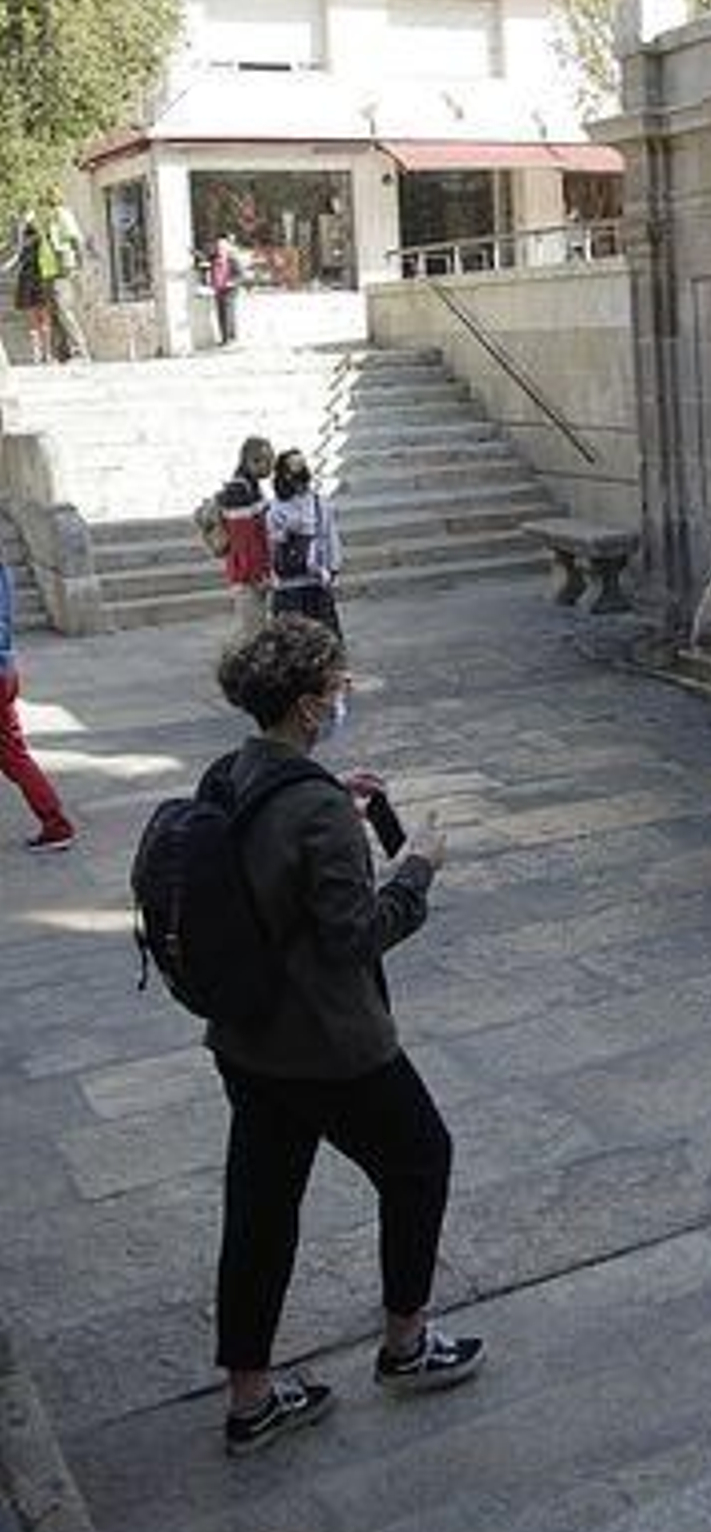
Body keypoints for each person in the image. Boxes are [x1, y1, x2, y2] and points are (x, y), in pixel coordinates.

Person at [210, 614, 483, 1455]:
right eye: (335, 689)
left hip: (247, 1038)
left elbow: (271, 872)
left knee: (260, 1209)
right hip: (329, 1043)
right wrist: (419, 868)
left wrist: (335, 795)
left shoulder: (231, 774)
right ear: (303, 706)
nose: (342, 698)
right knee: (421, 1157)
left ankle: (251, 1399)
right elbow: (354, 936)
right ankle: (406, 1343)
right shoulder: (316, 810)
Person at [0, 558, 74, 850]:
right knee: (13, 755)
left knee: (13, 757)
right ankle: (55, 822)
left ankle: (56, 823)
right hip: (6, 670)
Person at [266, 448, 342, 635]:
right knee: (295, 647)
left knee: (319, 644)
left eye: (301, 467)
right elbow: (273, 542)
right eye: (295, 468)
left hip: (313, 583)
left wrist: (332, 568)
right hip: (289, 585)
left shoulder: (319, 503)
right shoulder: (275, 508)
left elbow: (330, 536)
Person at [219, 435, 275, 640]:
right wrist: (257, 576)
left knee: (255, 631)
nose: (271, 467)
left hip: (252, 573)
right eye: (267, 461)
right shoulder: (239, 491)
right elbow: (244, 542)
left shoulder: (251, 486)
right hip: (247, 577)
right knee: (253, 635)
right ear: (251, 461)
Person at [35, 205, 90, 362]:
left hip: (62, 270)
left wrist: (78, 266)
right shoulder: (43, 220)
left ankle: (80, 351)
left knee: (64, 310)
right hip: (48, 271)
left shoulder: (62, 215)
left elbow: (76, 239)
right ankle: (64, 355)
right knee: (54, 313)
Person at [8, 217, 55, 366]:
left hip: (28, 280)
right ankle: (46, 355)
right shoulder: (43, 240)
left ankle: (38, 355)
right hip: (41, 279)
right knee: (44, 318)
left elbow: (16, 259)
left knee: (34, 320)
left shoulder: (26, 244)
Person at [208, 234, 246, 347]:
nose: (219, 249)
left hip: (230, 289)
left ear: (227, 248)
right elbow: (204, 259)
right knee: (221, 313)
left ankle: (230, 337)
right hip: (218, 288)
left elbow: (240, 275)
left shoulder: (232, 259)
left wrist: (232, 282)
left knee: (228, 312)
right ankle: (226, 337)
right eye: (218, 247)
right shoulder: (214, 258)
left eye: (222, 247)